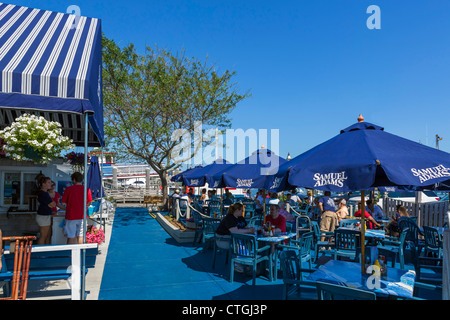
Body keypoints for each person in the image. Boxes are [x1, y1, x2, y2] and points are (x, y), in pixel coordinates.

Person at [61, 172, 92, 244]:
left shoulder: (68, 189)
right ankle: (79, 253)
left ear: (74, 180)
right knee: (80, 236)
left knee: (71, 236)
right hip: (82, 216)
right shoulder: (86, 189)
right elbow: (89, 202)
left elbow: (63, 203)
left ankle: (70, 254)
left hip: (71, 216)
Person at [36, 176, 56, 245]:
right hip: (43, 216)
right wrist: (52, 204)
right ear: (43, 184)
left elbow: (52, 204)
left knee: (47, 235)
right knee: (43, 236)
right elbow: (53, 204)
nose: (51, 184)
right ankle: (40, 253)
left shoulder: (44, 193)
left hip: (44, 215)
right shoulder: (43, 193)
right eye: (49, 182)